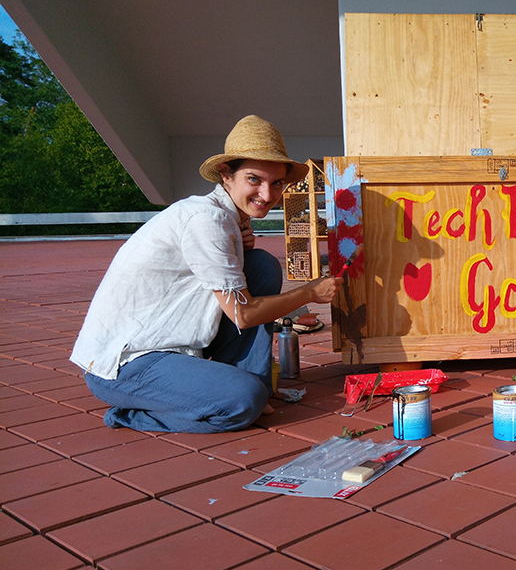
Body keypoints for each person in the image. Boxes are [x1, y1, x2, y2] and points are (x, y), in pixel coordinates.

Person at [71, 115, 343, 433]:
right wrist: (309, 292)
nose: (268, 195)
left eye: (277, 183)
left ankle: (248, 386)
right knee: (243, 402)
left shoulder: (225, 219)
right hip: (125, 364)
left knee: (260, 265)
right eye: (254, 179)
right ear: (226, 174)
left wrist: (239, 244)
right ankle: (130, 414)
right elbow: (242, 314)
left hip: (170, 346)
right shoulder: (206, 220)